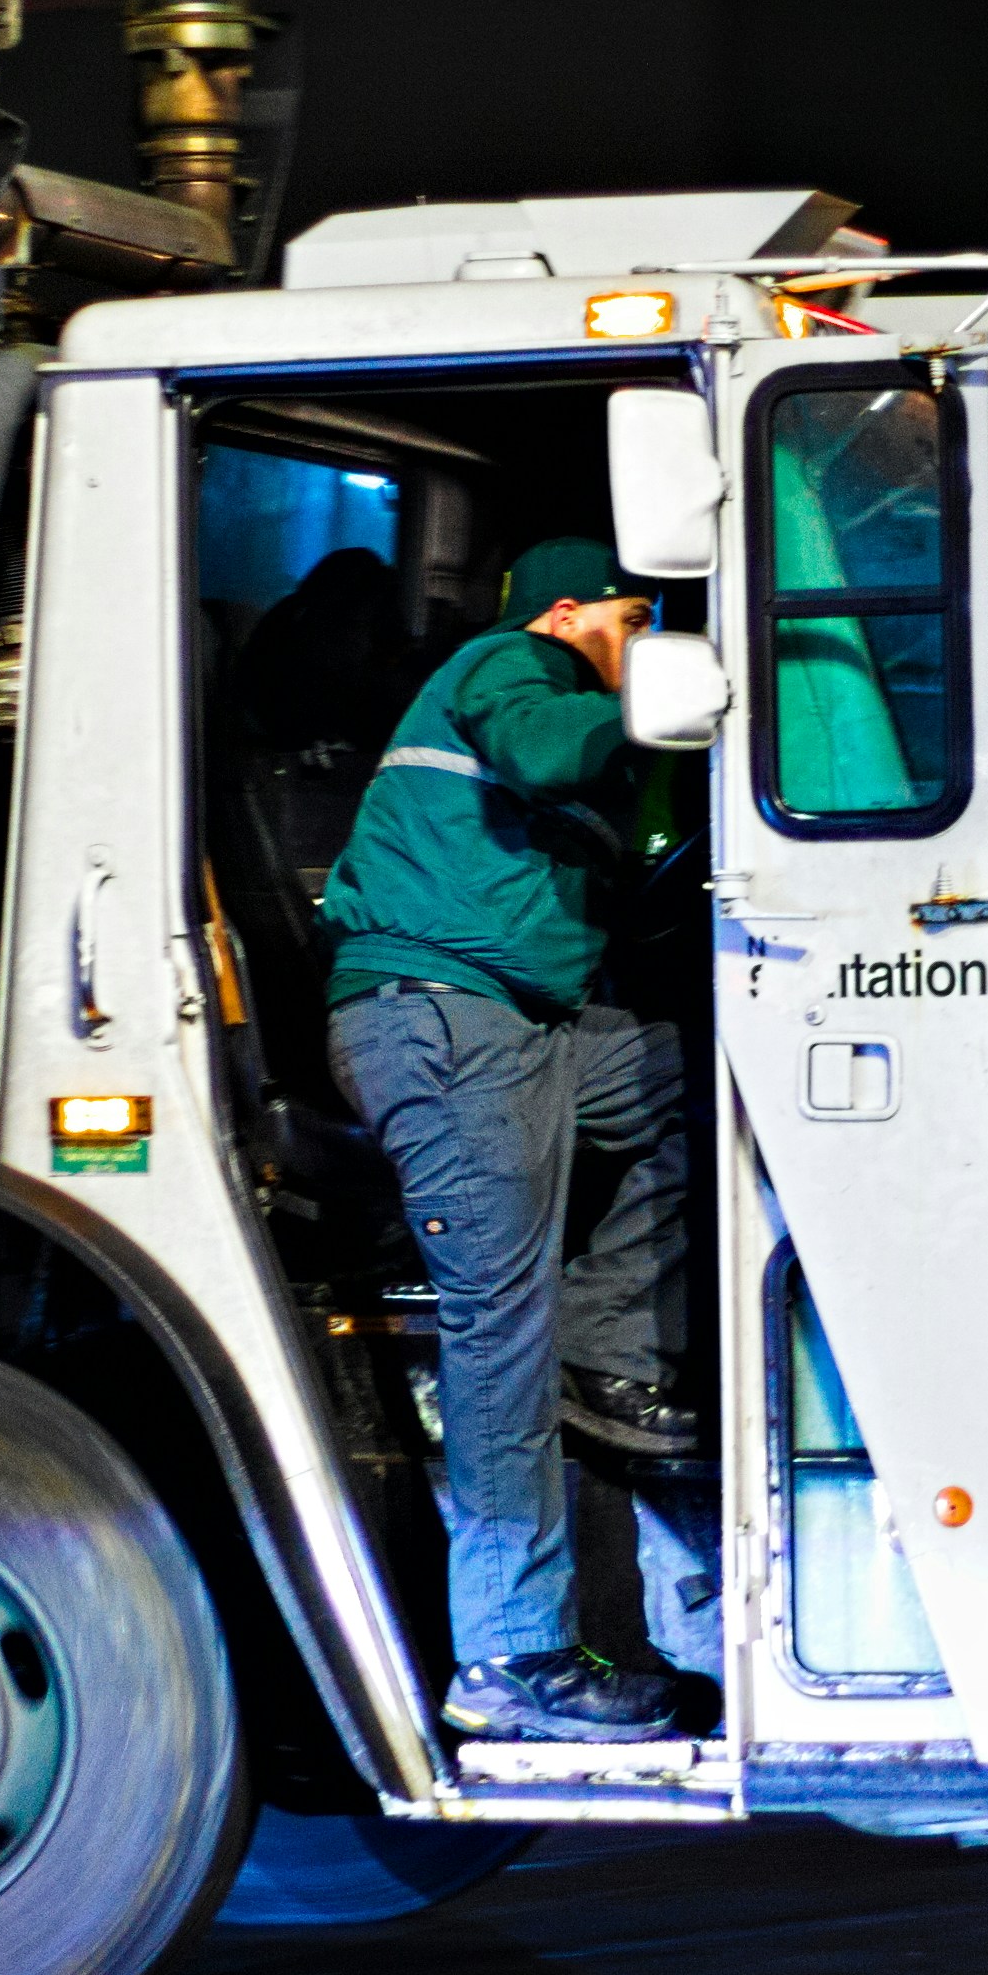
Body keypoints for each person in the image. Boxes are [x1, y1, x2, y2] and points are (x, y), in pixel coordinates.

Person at [320, 532, 707, 1744]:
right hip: (437, 1022)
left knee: (679, 1087)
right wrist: (684, 696)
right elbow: (545, 748)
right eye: (632, 619)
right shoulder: (505, 669)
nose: (642, 641)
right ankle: (507, 1656)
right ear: (565, 610)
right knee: (498, 1329)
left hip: (527, 1029)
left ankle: (608, 1357)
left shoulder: (576, 741)